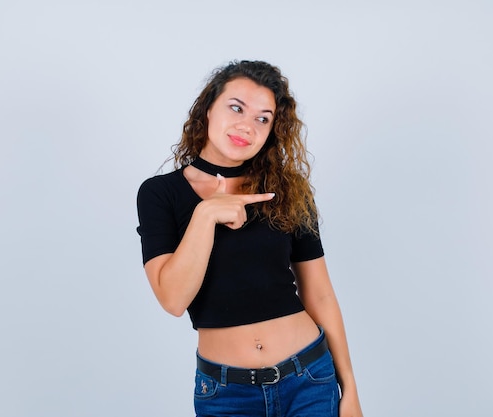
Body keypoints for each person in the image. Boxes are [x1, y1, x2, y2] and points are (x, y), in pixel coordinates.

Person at [136, 60, 363, 417]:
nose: (247, 125)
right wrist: (206, 214)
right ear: (208, 108)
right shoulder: (160, 194)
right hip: (227, 394)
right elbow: (173, 299)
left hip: (310, 378)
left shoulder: (287, 190)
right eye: (236, 107)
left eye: (263, 118)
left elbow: (319, 292)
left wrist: (349, 388)